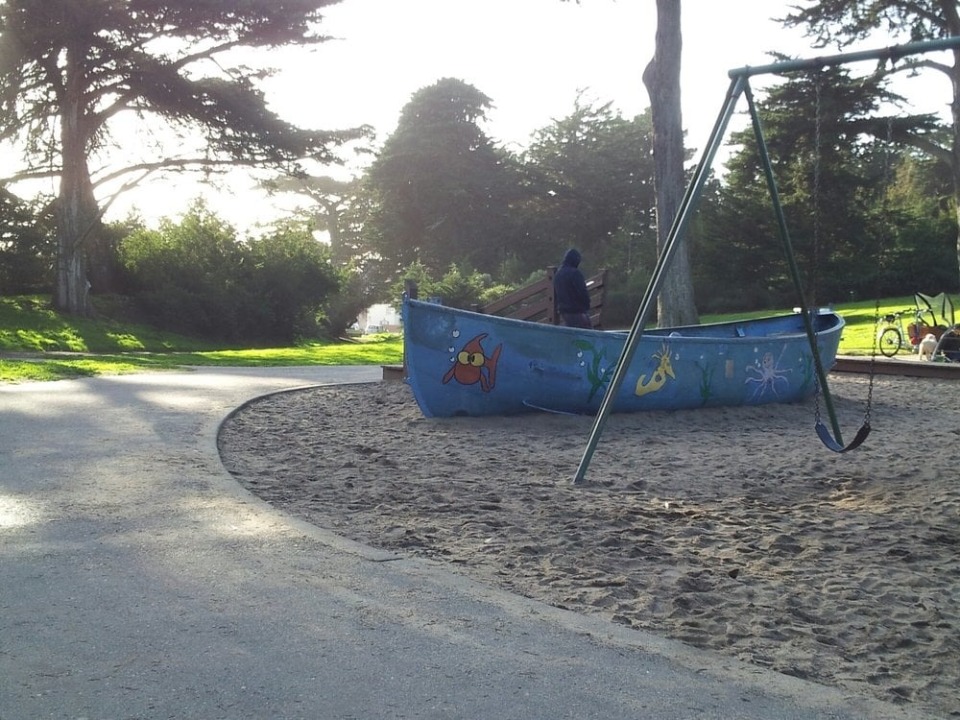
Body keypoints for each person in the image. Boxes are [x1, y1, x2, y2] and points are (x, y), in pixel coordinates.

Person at [553, 248, 592, 329]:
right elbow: (582, 292)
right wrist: (586, 305)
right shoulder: (575, 273)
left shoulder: (558, 274)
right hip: (577, 311)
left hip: (564, 313)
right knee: (587, 337)